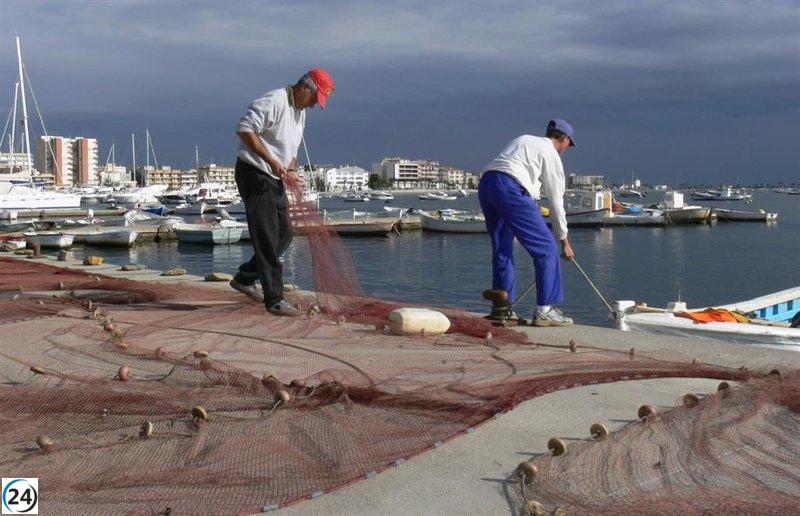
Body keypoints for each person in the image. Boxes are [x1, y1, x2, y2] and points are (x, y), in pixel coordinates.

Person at [229, 68, 335, 316]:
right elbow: (244, 128)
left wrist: (293, 170)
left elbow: (292, 148)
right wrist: (270, 160)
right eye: (314, 99)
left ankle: (245, 278)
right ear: (304, 88)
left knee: (285, 233)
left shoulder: (300, 113)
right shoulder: (275, 100)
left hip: (275, 176)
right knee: (266, 235)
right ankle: (274, 299)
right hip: (254, 173)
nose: (312, 106)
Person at [478, 119, 576, 327]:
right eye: (569, 143)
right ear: (564, 139)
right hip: (512, 187)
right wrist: (564, 241)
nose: (567, 148)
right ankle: (545, 310)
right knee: (547, 249)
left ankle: (502, 309)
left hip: (487, 183)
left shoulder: (524, 139)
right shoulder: (551, 155)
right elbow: (556, 202)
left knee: (503, 249)